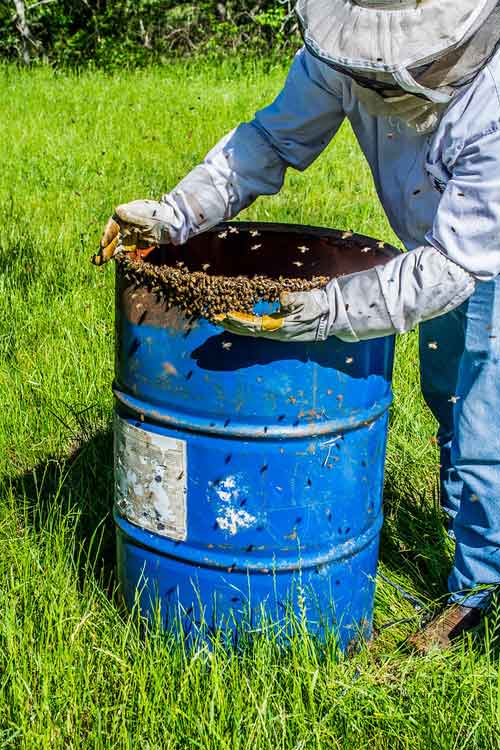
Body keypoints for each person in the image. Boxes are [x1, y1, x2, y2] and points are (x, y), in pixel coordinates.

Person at [98, 0, 500, 653]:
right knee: (451, 398)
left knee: (485, 425)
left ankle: (477, 595)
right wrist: (174, 214)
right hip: (435, 244)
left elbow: (457, 265)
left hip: (485, 258)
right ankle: (480, 550)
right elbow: (270, 140)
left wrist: (327, 309)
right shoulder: (348, 56)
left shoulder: (492, 106)